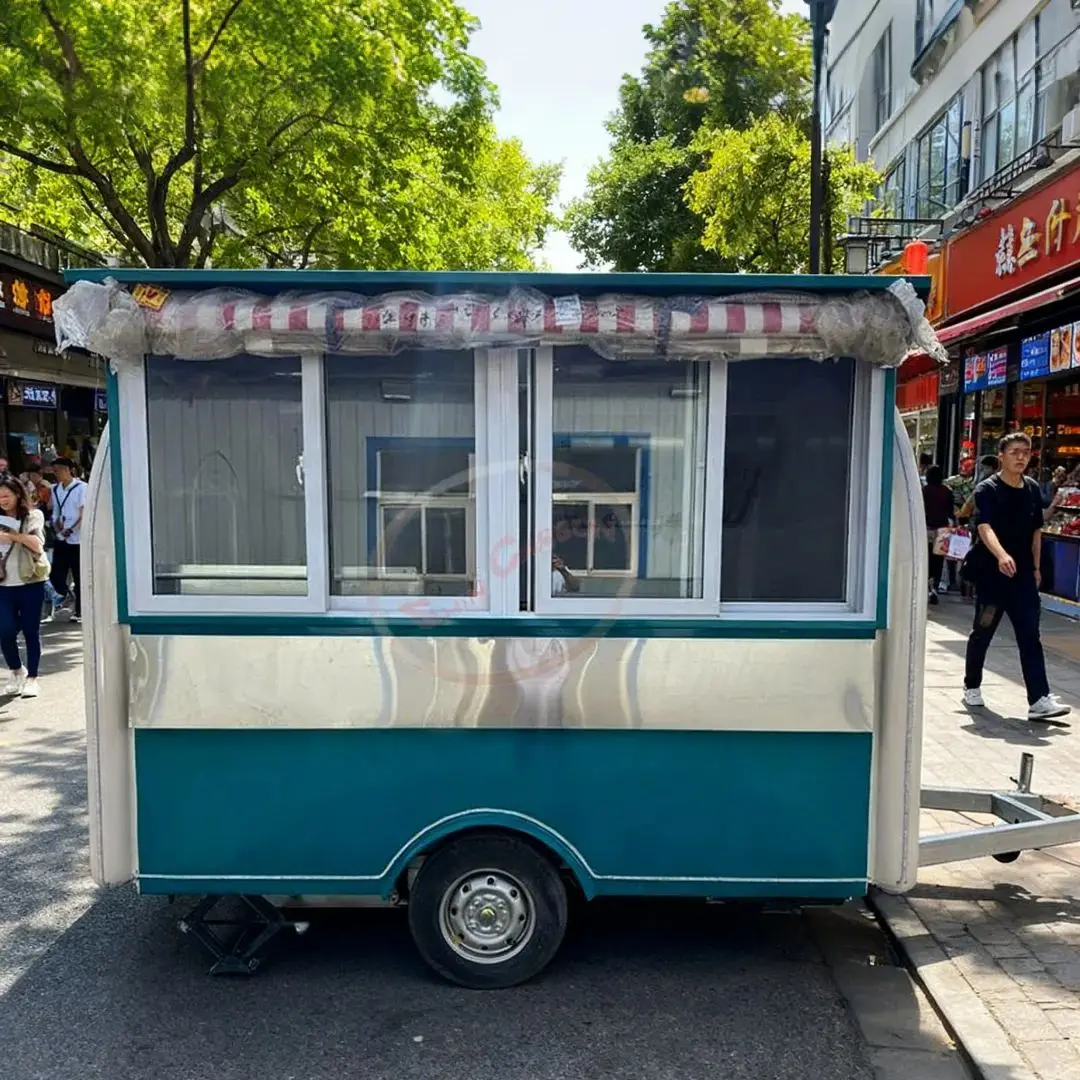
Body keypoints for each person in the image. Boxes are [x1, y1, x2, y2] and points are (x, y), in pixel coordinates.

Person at [963, 432, 1070, 721]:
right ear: (1002, 456)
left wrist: (1035, 568)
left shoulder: (1032, 488)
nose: (1021, 457)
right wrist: (1001, 555)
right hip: (992, 576)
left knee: (1030, 636)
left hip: (1022, 577)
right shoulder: (987, 489)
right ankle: (971, 685)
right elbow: (984, 527)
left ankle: (1039, 699)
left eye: (1026, 452)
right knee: (983, 631)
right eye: (1014, 452)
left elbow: (1036, 530)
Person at [0, 477, 49, 697]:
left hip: (30, 581)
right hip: (3, 584)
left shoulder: (33, 516)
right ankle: (17, 670)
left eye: (6, 495)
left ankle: (32, 679)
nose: (3, 500)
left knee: (31, 630)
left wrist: (11, 536)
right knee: (5, 630)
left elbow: (38, 545)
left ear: (18, 494)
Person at [48, 457, 86, 624]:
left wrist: (72, 529)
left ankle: (80, 610)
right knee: (56, 573)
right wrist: (57, 527)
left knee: (79, 576)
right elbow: (56, 510)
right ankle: (66, 595)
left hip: (78, 539)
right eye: (55, 471)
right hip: (62, 537)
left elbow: (83, 513)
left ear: (69, 469)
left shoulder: (81, 488)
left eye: (59, 470)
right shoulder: (55, 489)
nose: (57, 474)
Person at [923, 465, 953, 607]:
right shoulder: (947, 491)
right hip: (943, 529)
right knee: (939, 560)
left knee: (927, 558)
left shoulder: (924, 490)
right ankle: (935, 585)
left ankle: (927, 585)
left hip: (927, 528)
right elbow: (950, 511)